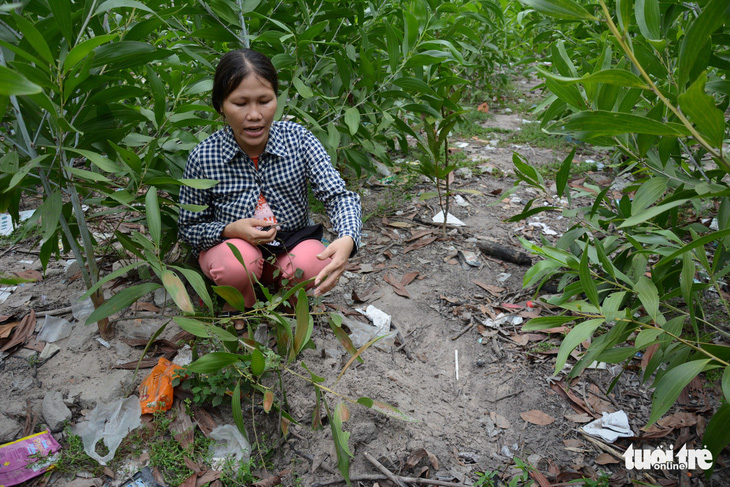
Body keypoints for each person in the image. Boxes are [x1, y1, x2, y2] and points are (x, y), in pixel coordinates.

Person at [178, 49, 362, 309]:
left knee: (312, 263)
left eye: (264, 101)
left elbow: (337, 195)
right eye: (240, 104)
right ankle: (241, 304)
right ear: (220, 105)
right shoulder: (204, 156)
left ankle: (287, 301)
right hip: (234, 252)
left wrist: (348, 238)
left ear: (276, 99)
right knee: (236, 264)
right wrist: (228, 230)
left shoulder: (298, 139)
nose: (254, 115)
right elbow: (189, 228)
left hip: (291, 248)